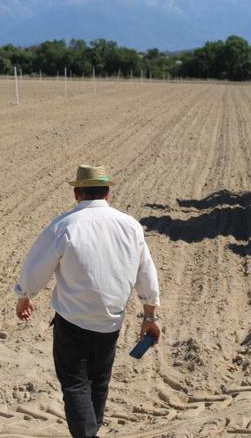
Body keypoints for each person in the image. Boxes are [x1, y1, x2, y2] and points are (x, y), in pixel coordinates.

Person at [14, 165, 161, 438]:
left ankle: (88, 434)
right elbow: (147, 273)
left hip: (72, 321)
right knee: (99, 383)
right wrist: (150, 317)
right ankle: (92, 430)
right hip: (111, 322)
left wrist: (25, 296)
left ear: (76, 193)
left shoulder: (65, 225)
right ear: (107, 193)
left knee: (75, 385)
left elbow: (37, 266)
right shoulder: (130, 226)